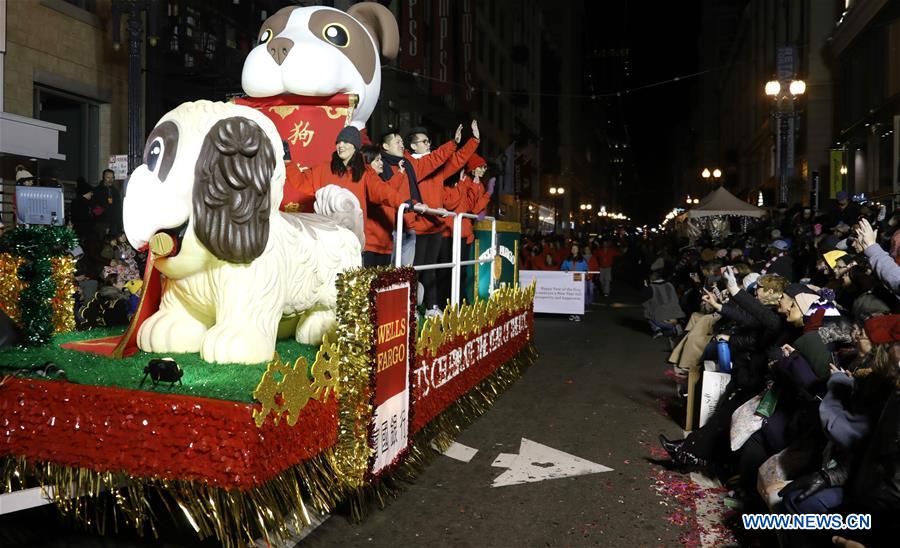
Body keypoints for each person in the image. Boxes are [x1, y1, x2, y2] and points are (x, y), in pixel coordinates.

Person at [286, 126, 413, 264]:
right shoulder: (323, 169)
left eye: (346, 142)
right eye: (339, 143)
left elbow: (383, 191)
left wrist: (404, 202)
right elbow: (301, 181)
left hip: (353, 240)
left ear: (355, 146)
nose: (341, 146)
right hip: (326, 240)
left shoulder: (365, 173)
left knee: (354, 282)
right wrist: (287, 162)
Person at [359, 145, 408, 267]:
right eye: (377, 160)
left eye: (381, 159)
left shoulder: (376, 179)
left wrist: (400, 174)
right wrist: (408, 203)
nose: (381, 163)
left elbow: (386, 190)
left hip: (383, 244)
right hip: (371, 245)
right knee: (370, 284)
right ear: (367, 161)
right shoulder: (367, 177)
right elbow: (384, 193)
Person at [560, 244, 588, 322]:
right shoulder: (567, 259)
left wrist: (585, 273)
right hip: (569, 281)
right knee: (571, 297)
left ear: (578, 250)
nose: (574, 250)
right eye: (572, 248)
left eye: (575, 248)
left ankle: (577, 314)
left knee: (578, 297)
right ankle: (571, 313)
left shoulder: (582, 260)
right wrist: (565, 269)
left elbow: (586, 270)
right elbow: (562, 267)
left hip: (578, 280)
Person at [93, 169, 122, 237]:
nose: (110, 180)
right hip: (101, 224)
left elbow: (118, 208)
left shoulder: (115, 191)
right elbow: (94, 208)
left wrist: (119, 223)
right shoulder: (97, 190)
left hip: (114, 225)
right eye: (108, 177)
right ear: (103, 177)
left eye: (112, 177)